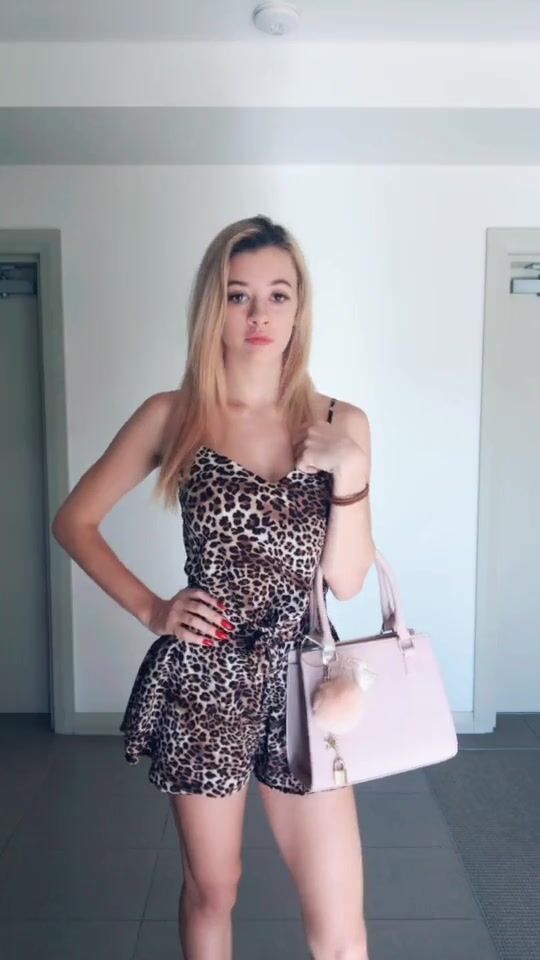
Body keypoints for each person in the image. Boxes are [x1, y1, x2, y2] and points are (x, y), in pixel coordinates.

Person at [52, 214, 376, 960]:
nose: (259, 315)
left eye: (277, 295)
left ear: (299, 307)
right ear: (213, 308)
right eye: (238, 295)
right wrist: (152, 608)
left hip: (305, 677)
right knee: (213, 889)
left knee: (339, 923)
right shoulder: (174, 416)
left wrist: (351, 473)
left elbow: (348, 580)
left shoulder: (342, 422)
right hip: (206, 679)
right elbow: (75, 521)